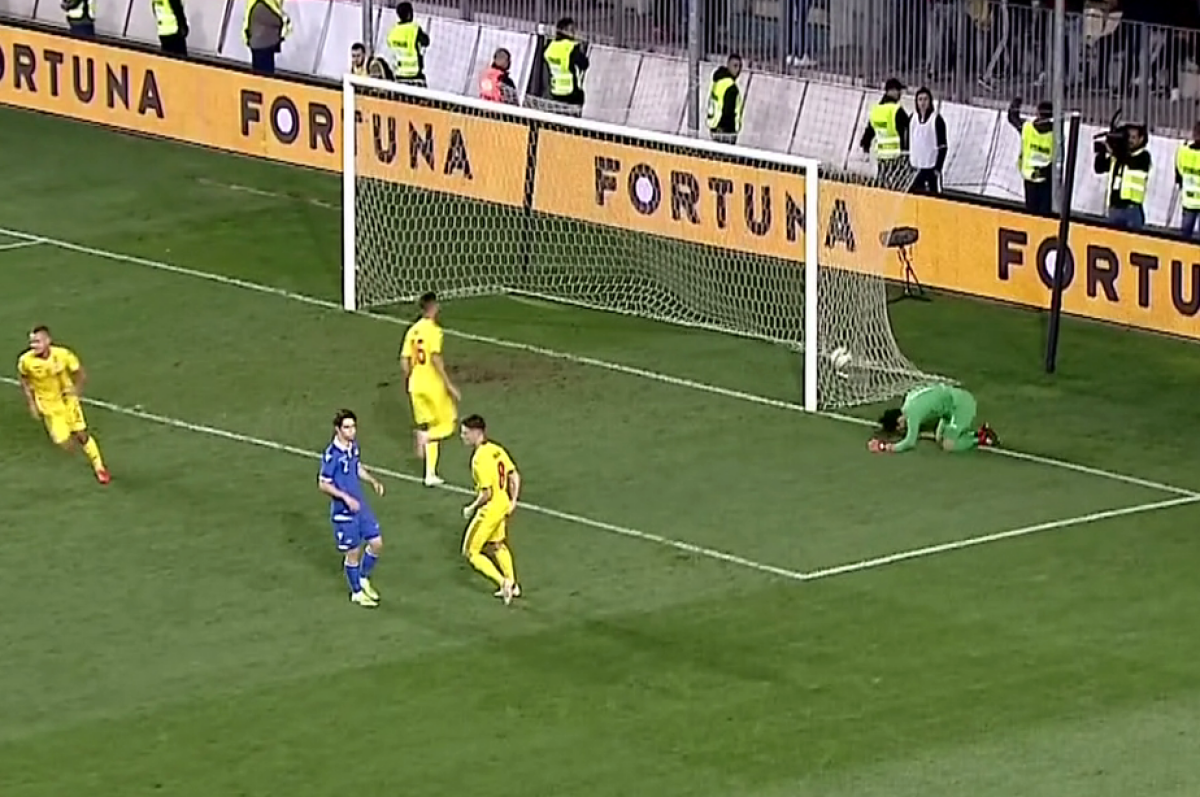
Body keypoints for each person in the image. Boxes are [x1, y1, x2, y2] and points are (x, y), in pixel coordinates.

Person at [17, 326, 110, 484]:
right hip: (49, 407)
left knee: (82, 434)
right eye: (32, 342)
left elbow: (80, 372)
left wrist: (77, 391)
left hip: (68, 401)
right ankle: (72, 440)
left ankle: (99, 467)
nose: (34, 345)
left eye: (37, 341)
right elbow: (24, 380)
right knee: (62, 442)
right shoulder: (26, 361)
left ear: (48, 341)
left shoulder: (63, 354)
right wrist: (31, 403)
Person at [318, 409, 386, 608]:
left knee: (377, 543)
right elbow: (323, 484)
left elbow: (356, 467)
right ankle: (356, 592)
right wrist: (346, 498)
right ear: (338, 429)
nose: (352, 431)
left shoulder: (352, 447)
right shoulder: (332, 455)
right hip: (344, 512)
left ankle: (363, 578)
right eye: (347, 427)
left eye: (353, 426)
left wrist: (373, 481)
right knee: (353, 553)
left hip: (360, 505)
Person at [400, 292, 460, 487]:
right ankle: (424, 437)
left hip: (415, 386)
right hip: (432, 385)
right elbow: (435, 358)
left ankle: (430, 474)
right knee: (448, 423)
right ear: (433, 307)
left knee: (432, 426)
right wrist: (449, 384)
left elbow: (404, 360)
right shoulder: (434, 331)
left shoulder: (412, 331)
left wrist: (408, 380)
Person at [459, 414, 521, 604]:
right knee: (498, 545)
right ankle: (513, 583)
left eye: (465, 433)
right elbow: (514, 475)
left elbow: (486, 493)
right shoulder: (497, 449)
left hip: (490, 509)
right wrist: (513, 501)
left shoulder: (479, 458)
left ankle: (503, 583)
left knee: (470, 552)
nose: (462, 437)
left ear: (477, 432)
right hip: (502, 505)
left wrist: (471, 508)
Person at [869, 384, 998, 454]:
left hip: (961, 406)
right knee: (939, 438)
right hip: (950, 408)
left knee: (948, 445)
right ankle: (975, 433)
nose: (903, 429)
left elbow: (910, 442)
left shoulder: (913, 414)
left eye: (900, 428)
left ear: (899, 422)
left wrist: (886, 447)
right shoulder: (909, 401)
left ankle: (982, 438)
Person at [1095, 123, 1152, 231]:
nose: (1130, 140)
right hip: (1114, 207)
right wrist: (1102, 152)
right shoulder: (1118, 156)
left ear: (1141, 139)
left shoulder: (1143, 157)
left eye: (1134, 138)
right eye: (1128, 137)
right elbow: (1099, 168)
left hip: (1131, 209)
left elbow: (1131, 162)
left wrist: (1113, 150)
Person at [860, 77, 911, 188]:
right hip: (897, 156)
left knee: (882, 182)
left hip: (882, 154)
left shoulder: (877, 110)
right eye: (898, 91)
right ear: (891, 91)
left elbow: (870, 130)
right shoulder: (896, 110)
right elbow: (909, 130)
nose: (900, 94)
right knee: (896, 185)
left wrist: (865, 146)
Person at [1007, 97, 1054, 217]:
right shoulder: (1055, 133)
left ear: (1037, 113)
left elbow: (1012, 118)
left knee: (1032, 213)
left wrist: (1016, 103)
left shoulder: (1027, 128)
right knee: (1044, 214)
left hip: (1031, 177)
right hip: (1045, 178)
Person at [543, 16, 589, 115]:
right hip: (572, 93)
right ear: (565, 31)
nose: (574, 33)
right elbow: (584, 64)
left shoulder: (550, 47)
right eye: (572, 30)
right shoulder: (571, 47)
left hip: (555, 91)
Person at [908, 87, 948, 195]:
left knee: (934, 198)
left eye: (925, 99)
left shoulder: (937, 120)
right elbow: (909, 141)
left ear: (930, 101)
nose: (922, 103)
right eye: (920, 99)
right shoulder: (912, 118)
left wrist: (937, 169)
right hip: (915, 168)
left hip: (931, 169)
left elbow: (943, 147)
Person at [387, 1, 429, 87]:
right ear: (410, 14)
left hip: (399, 74)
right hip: (414, 75)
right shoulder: (414, 29)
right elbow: (426, 41)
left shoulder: (393, 31)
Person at [244, 0, 290, 76]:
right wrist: (285, 21)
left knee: (263, 71)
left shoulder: (266, 5)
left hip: (263, 45)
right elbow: (276, 21)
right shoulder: (262, 5)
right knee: (264, 73)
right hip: (262, 46)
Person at [707, 54, 743, 145]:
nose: (738, 70)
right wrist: (731, 129)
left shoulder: (718, 81)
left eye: (740, 66)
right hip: (726, 132)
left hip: (715, 128)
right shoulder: (730, 87)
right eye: (735, 66)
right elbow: (728, 111)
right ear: (728, 65)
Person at [1174, 122, 1200, 240]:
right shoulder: (1183, 152)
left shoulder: (1183, 152)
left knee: (1185, 238)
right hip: (1189, 202)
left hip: (1188, 201)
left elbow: (1179, 173)